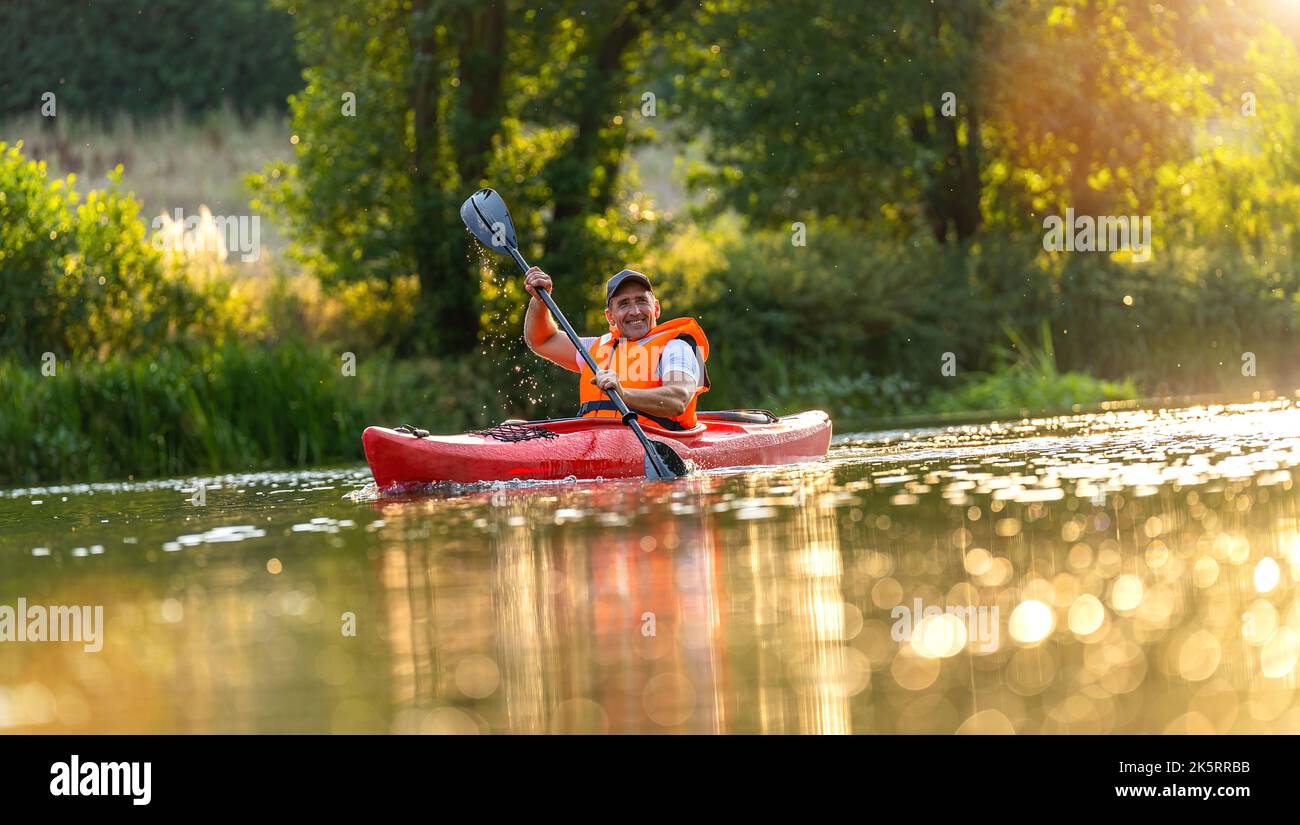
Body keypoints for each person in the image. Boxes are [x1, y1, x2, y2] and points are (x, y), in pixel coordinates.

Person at [523, 267, 710, 430]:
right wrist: (540, 300)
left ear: (656, 308)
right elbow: (542, 340)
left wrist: (623, 394)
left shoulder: (678, 347)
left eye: (641, 301)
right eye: (624, 304)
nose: (635, 311)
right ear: (610, 316)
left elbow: (679, 400)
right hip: (592, 444)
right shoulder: (596, 347)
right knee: (513, 426)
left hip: (656, 446)